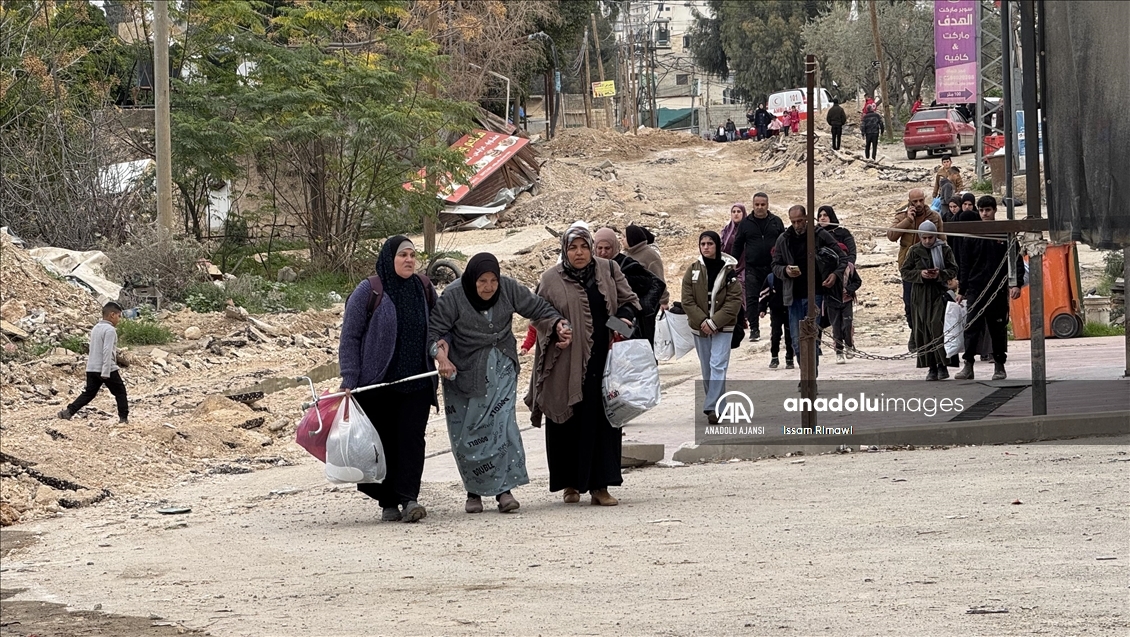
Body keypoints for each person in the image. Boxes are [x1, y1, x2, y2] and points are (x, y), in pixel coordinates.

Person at [428, 253, 568, 514]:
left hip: (501, 367)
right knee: (469, 434)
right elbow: (433, 331)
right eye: (482, 281)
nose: (489, 287)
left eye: (493, 280)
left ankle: (505, 491)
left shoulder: (508, 288)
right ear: (472, 279)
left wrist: (558, 323)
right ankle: (474, 492)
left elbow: (538, 308)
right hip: (465, 372)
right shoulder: (454, 295)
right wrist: (441, 356)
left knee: (502, 426)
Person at [525, 226, 639, 506]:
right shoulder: (551, 278)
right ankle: (570, 483)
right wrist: (555, 325)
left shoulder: (608, 269)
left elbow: (630, 301)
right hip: (566, 362)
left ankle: (600, 487)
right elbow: (537, 313)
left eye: (584, 247)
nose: (579, 253)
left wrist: (623, 319)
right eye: (573, 248)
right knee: (568, 421)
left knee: (603, 422)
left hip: (604, 362)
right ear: (564, 250)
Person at [338, 236, 438, 523]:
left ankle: (409, 499)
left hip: (417, 381)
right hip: (378, 385)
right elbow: (351, 337)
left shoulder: (424, 288)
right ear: (389, 258)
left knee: (411, 440)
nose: (409, 260)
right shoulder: (369, 291)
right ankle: (387, 501)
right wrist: (350, 378)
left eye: (412, 255)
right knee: (382, 443)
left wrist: (442, 350)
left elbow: (440, 325)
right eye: (402, 255)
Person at [955, 195, 1026, 380]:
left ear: (994, 210)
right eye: (981, 210)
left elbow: (1016, 260)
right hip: (976, 289)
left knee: (998, 329)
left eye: (988, 210)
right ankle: (968, 365)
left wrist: (1016, 284)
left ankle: (999, 366)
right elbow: (965, 264)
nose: (985, 214)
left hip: (998, 289)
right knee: (971, 328)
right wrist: (962, 290)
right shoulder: (972, 235)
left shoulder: (1004, 233)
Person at [771, 205, 848, 373]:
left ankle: (810, 377)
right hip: (793, 296)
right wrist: (785, 271)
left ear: (806, 218)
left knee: (811, 338)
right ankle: (805, 373)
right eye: (793, 222)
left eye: (800, 221)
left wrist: (835, 274)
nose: (797, 225)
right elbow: (775, 265)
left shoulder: (820, 235)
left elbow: (842, 257)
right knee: (797, 341)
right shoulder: (784, 239)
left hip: (816, 294)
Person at [682, 231, 742, 424]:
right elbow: (687, 300)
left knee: (718, 365)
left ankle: (710, 406)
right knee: (707, 368)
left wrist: (715, 322)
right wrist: (703, 321)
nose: (706, 247)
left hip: (723, 328)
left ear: (717, 245)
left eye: (710, 244)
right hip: (700, 328)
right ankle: (719, 407)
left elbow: (734, 301)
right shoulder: (692, 270)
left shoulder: (729, 271)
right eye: (703, 244)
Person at [900, 221, 958, 380]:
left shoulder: (944, 249)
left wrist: (940, 274)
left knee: (937, 326)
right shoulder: (914, 251)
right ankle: (931, 367)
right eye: (924, 238)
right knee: (923, 329)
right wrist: (921, 275)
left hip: (938, 293)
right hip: (920, 295)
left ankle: (943, 365)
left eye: (930, 237)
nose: (927, 241)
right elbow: (905, 272)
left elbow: (953, 269)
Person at [887, 188, 944, 348]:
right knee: (910, 304)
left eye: (921, 200)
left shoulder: (934, 217)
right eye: (915, 202)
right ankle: (914, 331)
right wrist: (908, 220)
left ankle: (926, 337)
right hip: (909, 268)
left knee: (929, 304)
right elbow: (891, 236)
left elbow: (942, 240)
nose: (918, 204)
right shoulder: (901, 216)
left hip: (930, 266)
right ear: (909, 202)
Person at [58, 302, 128, 424]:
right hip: (107, 368)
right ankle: (123, 418)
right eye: (119, 316)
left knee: (89, 393)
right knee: (120, 392)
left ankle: (68, 412)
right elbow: (107, 351)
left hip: (92, 368)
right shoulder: (110, 330)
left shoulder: (96, 328)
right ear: (112, 315)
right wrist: (106, 371)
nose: (119, 319)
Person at [594, 227, 666, 344]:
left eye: (607, 248)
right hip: (600, 324)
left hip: (626, 320)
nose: (603, 252)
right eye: (599, 248)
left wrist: (619, 280)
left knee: (631, 354)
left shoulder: (625, 263)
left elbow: (647, 282)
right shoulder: (590, 266)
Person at [732, 192, 786, 342]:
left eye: (763, 204)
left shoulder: (776, 221)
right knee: (751, 298)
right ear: (753, 205)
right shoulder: (745, 223)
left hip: (773, 267)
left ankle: (776, 329)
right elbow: (737, 245)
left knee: (776, 298)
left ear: (767, 205)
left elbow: (785, 242)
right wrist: (731, 264)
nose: (760, 207)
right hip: (752, 267)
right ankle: (754, 328)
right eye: (757, 205)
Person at [818, 206, 859, 364]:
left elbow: (852, 255)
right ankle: (836, 349)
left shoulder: (842, 233)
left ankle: (848, 344)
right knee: (832, 322)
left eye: (826, 215)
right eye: (820, 215)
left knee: (846, 322)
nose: (822, 218)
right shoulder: (817, 234)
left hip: (844, 280)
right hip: (825, 283)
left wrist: (844, 270)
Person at [623, 223, 669, 312]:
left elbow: (659, 279)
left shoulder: (651, 255)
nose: (621, 239)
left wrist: (664, 301)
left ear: (632, 238)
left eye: (624, 237)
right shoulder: (626, 254)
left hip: (647, 302)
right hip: (629, 301)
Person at [758, 269, 794, 369]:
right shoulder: (771, 278)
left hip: (790, 310)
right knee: (775, 334)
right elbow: (764, 294)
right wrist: (762, 309)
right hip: (776, 311)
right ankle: (774, 357)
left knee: (790, 335)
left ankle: (790, 358)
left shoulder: (792, 276)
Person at [720, 203, 748, 308]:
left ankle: (744, 318)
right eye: (733, 212)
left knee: (741, 287)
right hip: (728, 266)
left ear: (743, 213)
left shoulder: (748, 229)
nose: (736, 214)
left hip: (745, 267)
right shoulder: (726, 230)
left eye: (739, 212)